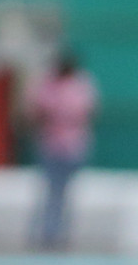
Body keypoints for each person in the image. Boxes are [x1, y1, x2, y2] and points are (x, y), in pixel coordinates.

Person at [29, 52, 98, 250]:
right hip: (51, 145)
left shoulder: (81, 84)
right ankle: (47, 233)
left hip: (73, 145)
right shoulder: (46, 83)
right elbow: (36, 112)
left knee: (65, 192)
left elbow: (87, 112)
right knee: (51, 190)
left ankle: (60, 233)